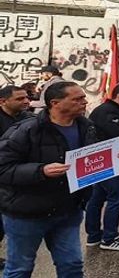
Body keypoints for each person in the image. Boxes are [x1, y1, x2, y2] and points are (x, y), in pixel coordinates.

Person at [0, 82, 96, 277]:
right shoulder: (27, 129)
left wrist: (108, 158)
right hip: (26, 213)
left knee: (72, 265)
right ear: (55, 103)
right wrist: (40, 171)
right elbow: (3, 167)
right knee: (20, 269)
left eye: (83, 97)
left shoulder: (86, 126)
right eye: (77, 99)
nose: (84, 102)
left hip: (67, 210)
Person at [85, 83, 119, 251]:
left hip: (105, 159)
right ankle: (110, 238)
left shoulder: (112, 110)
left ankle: (94, 235)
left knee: (97, 198)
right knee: (116, 197)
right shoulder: (107, 111)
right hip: (108, 160)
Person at [0, 85, 33, 269]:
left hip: (15, 177)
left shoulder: (27, 118)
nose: (26, 101)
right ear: (3, 101)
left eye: (26, 97)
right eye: (20, 99)